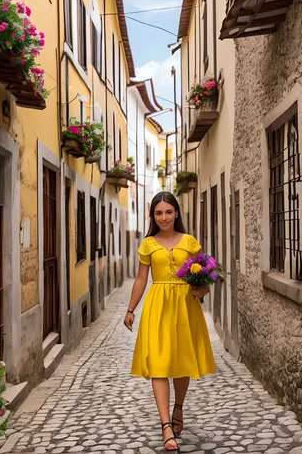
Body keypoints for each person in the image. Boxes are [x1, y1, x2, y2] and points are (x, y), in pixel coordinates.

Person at [124, 191, 216, 452]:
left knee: (182, 362)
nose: (164, 217)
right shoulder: (148, 244)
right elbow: (142, 278)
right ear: (152, 216)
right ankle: (166, 425)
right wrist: (131, 308)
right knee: (159, 363)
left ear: (176, 213)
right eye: (158, 213)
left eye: (168, 212)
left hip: (185, 306)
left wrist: (203, 289)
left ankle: (178, 407)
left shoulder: (189, 241)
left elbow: (206, 274)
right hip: (158, 305)